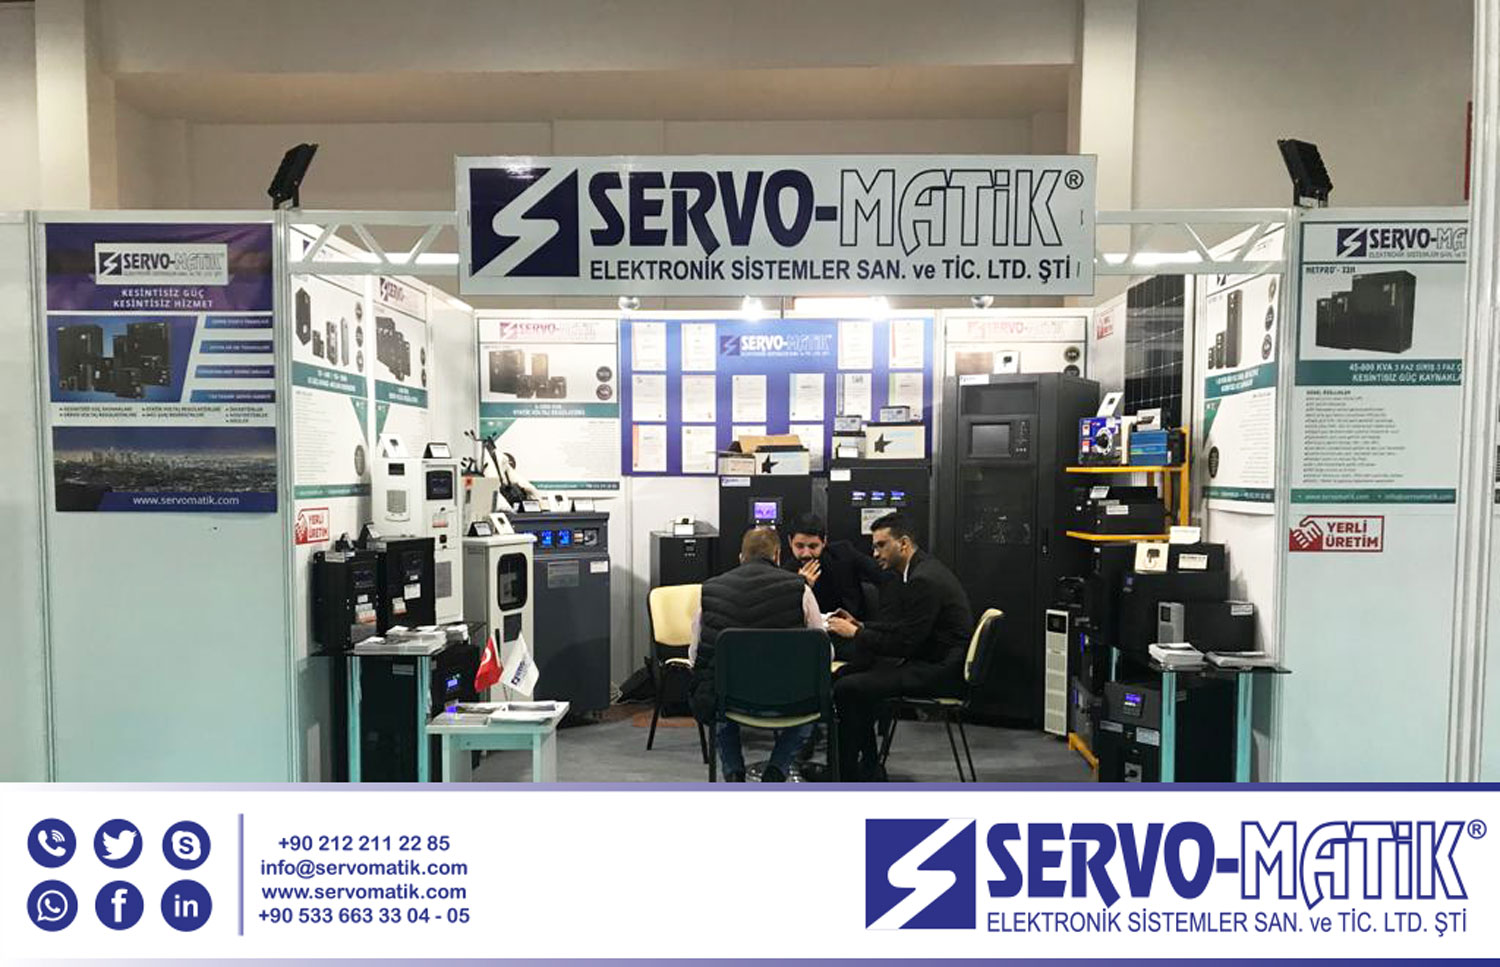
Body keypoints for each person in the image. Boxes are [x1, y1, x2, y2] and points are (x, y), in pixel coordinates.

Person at [812, 511, 973, 782]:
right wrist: (862, 625)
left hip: (938, 672)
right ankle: (866, 768)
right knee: (849, 678)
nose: (875, 553)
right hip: (935, 661)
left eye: (881, 545)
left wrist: (856, 634)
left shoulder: (923, 580)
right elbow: (906, 628)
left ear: (904, 544)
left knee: (846, 687)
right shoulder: (923, 570)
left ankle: (845, 774)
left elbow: (904, 644)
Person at [688, 526, 826, 782]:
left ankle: (733, 772)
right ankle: (777, 768)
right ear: (777, 555)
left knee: (714, 689)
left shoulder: (710, 589)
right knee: (814, 698)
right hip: (789, 696)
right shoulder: (800, 589)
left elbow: (696, 655)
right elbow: (822, 650)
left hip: (730, 699)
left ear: (741, 557)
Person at [784, 512, 889, 621]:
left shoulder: (843, 554)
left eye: (813, 546)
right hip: (812, 629)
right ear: (790, 542)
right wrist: (803, 589)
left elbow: (882, 575)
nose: (806, 554)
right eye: (799, 546)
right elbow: (787, 618)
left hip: (852, 623)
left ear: (824, 542)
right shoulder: (786, 574)